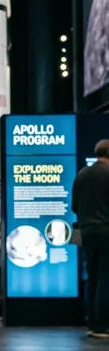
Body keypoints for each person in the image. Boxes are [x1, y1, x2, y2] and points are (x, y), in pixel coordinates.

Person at [72, 140, 109, 338]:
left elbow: (75, 206)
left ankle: (92, 322)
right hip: (106, 230)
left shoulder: (82, 174)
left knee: (92, 277)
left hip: (87, 232)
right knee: (106, 277)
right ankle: (102, 325)